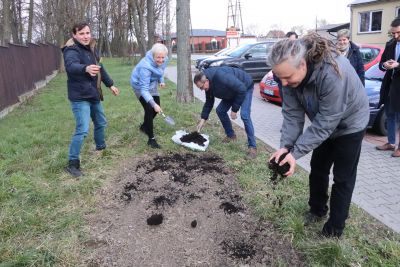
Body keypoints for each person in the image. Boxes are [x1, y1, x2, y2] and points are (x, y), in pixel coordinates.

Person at [268, 33, 369, 238]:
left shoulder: (332, 73)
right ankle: (316, 210)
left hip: (350, 124)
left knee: (343, 178)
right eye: (280, 78)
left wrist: (295, 154)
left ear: (303, 65)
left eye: (287, 77)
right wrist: (286, 148)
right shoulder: (287, 76)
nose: (284, 84)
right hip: (324, 123)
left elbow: (326, 122)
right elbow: (292, 114)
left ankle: (335, 229)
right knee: (318, 168)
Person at [62, 22, 120, 177]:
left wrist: (110, 85)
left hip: (93, 93)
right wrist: (85, 68)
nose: (86, 36)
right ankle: (72, 164)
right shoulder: (71, 50)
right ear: (74, 35)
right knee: (82, 129)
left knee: (101, 122)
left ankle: (100, 148)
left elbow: (101, 69)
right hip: (80, 97)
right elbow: (71, 66)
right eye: (81, 33)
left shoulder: (92, 48)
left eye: (87, 33)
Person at [193, 66, 257, 159]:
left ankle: (252, 147)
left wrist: (234, 109)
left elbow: (241, 89)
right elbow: (209, 102)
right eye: (199, 88)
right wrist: (203, 119)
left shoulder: (221, 76)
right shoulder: (208, 85)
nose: (201, 89)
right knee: (220, 110)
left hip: (245, 87)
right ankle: (231, 135)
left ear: (206, 81)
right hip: (232, 91)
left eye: (201, 87)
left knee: (245, 115)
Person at [130, 43, 169, 149]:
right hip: (139, 85)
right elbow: (144, 90)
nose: (161, 60)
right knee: (149, 108)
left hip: (152, 82)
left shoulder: (165, 58)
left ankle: (144, 126)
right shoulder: (145, 67)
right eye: (158, 57)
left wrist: (161, 80)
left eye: (163, 57)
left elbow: (161, 69)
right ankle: (151, 139)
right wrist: (153, 104)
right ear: (153, 56)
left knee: (156, 108)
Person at [375, 17, 400, 157]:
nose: (395, 36)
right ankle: (391, 143)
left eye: (398, 33)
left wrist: (398, 65)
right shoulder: (390, 44)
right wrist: (385, 65)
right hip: (390, 88)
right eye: (393, 33)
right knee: (390, 115)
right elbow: (381, 64)